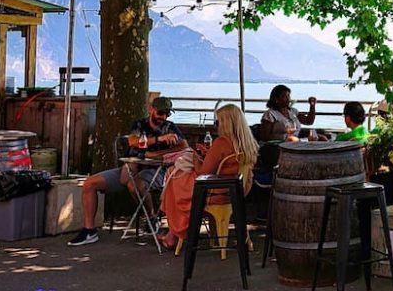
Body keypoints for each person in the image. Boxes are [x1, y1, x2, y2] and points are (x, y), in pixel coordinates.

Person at [68, 96, 187, 246]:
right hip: (130, 167)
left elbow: (184, 146)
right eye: (160, 113)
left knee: (134, 185)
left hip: (156, 170)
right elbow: (133, 141)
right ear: (151, 110)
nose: (163, 117)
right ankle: (89, 231)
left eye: (167, 114)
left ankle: (152, 217)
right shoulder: (139, 124)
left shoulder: (170, 127)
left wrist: (158, 154)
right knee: (89, 184)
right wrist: (159, 139)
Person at [160, 103, 258, 250]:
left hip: (215, 192)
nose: (216, 126)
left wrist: (195, 158)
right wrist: (209, 155)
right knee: (177, 178)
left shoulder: (222, 142)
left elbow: (203, 174)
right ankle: (173, 234)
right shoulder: (248, 143)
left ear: (226, 123)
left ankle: (175, 233)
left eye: (218, 122)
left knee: (174, 177)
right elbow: (224, 166)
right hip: (238, 190)